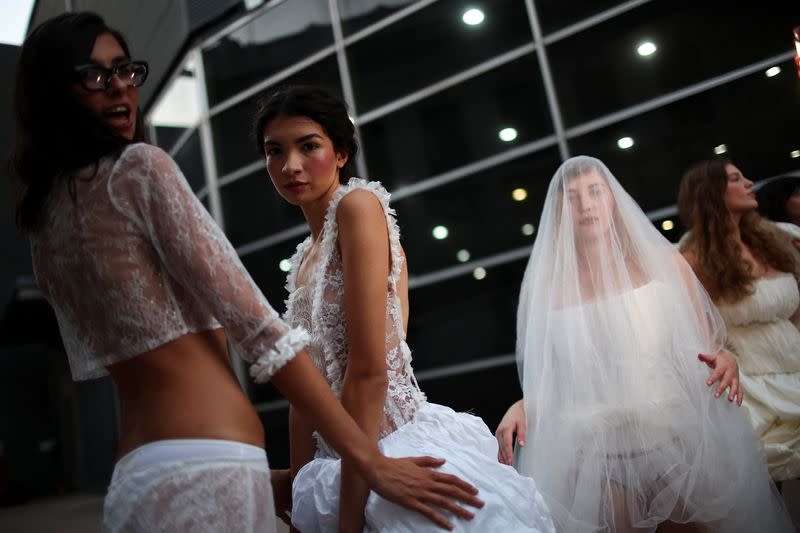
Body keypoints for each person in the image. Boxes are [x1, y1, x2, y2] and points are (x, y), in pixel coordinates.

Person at [11, 13, 482, 532]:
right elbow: (263, 336)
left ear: (341, 152)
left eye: (125, 70)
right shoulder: (139, 170)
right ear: (55, 91)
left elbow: (363, 371)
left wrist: (304, 490)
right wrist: (366, 466)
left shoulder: (46, 219)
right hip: (211, 459)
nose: (120, 86)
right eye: (95, 75)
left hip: (137, 473)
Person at [253, 85, 555, 533]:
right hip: (334, 464)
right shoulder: (303, 258)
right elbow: (304, 400)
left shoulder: (358, 207)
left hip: (394, 448)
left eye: (308, 146)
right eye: (274, 151)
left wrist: (349, 521)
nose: (289, 165)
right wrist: (302, 501)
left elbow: (369, 372)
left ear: (341, 153)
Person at [496, 156, 792, 532]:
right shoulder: (542, 290)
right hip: (594, 451)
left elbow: (707, 345)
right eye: (571, 197)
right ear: (559, 212)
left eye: (595, 191)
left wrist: (726, 358)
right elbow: (551, 375)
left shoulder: (666, 263)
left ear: (613, 199)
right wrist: (522, 404)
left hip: (673, 436)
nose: (585, 205)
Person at [678, 159, 800, 482]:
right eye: (735, 179)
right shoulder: (693, 259)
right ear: (711, 194)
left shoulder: (775, 242)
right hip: (750, 384)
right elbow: (693, 327)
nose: (748, 183)